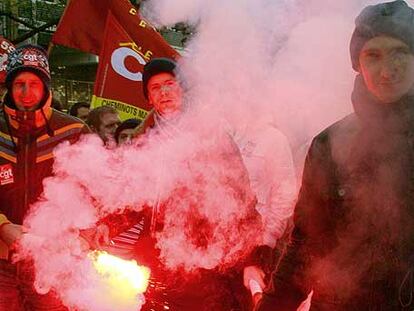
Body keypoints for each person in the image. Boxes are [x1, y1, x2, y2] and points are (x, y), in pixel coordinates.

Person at [257, 1, 414, 310]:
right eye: (373, 55)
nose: (387, 70)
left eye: (400, 52)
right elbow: (305, 247)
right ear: (358, 64)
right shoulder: (329, 144)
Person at [100, 57, 263, 311]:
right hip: (159, 260)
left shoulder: (212, 138)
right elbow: (132, 201)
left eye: (169, 84)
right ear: (148, 98)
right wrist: (106, 226)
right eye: (155, 88)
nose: (163, 92)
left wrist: (253, 259)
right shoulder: (144, 143)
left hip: (209, 264)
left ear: (182, 90)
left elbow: (243, 201)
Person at [0, 44, 90, 310]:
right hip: (2, 265)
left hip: (55, 263)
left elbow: (94, 192)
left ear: (46, 87)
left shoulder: (74, 131)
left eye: (34, 84)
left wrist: (86, 232)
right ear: (9, 88)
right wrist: (3, 227)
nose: (26, 94)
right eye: (19, 84)